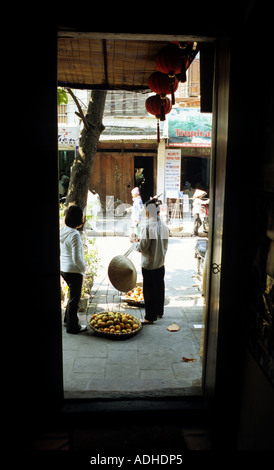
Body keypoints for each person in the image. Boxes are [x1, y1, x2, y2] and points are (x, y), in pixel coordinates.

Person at [133, 196, 169, 324]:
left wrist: (134, 244)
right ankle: (159, 311)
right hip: (160, 263)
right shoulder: (164, 225)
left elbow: (143, 247)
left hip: (149, 264)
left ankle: (149, 316)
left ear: (148, 212)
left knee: (149, 291)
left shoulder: (148, 227)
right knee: (159, 288)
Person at [60, 204, 87, 334]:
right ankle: (73, 327)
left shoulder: (63, 230)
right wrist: (84, 269)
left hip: (64, 269)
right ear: (78, 219)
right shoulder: (75, 234)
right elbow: (77, 258)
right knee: (74, 300)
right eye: (82, 216)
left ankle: (67, 320)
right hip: (73, 270)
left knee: (72, 297)